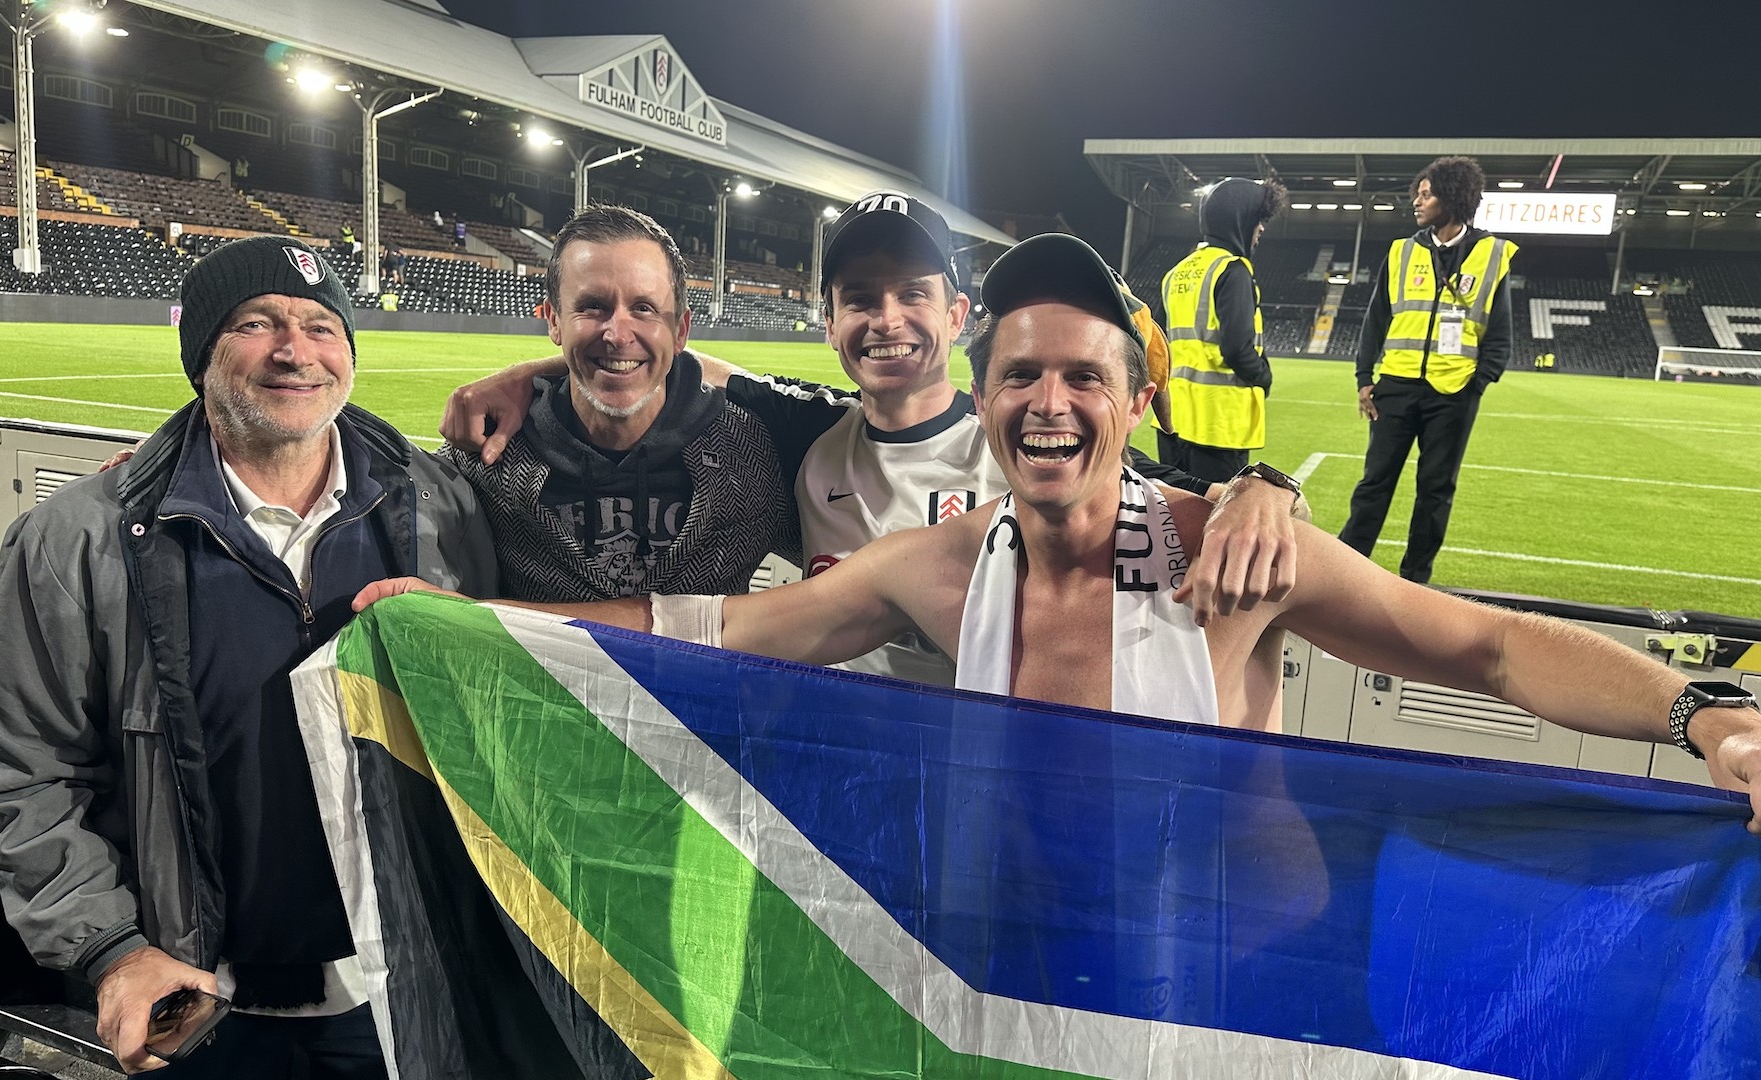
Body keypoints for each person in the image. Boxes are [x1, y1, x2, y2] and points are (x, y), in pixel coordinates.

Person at [359, 231, 1761, 825]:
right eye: (1019, 376)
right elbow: (704, 629)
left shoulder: (1236, 547)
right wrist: (468, 621)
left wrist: (1704, 713)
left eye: (1081, 377)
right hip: (1011, 957)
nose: (1047, 403)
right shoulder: (950, 561)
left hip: (1225, 969)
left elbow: (1495, 652)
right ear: (983, 396)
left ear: (1132, 399)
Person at [0, 236, 499, 1077]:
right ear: (201, 353)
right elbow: (16, 764)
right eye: (258, 323)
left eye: (323, 327)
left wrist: (529, 378)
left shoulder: (442, 509)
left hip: (405, 993)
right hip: (201, 1005)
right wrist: (112, 948)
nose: (296, 352)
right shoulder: (83, 539)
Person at [441, 193, 1303, 685]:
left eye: (912, 295)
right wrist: (531, 374)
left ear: (960, 315)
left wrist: (1263, 486)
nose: (886, 321)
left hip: (984, 778)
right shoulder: (806, 432)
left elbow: (1170, 496)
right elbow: (657, 349)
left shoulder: (1031, 451)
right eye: (860, 297)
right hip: (839, 778)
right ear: (830, 323)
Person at [442, 204, 799, 601]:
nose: (617, 334)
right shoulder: (485, 459)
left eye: (644, 308)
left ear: (680, 331)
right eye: (593, 306)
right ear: (554, 322)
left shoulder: (755, 456)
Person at [1338, 156, 1516, 584]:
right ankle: (1342, 568)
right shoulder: (1402, 251)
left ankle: (1415, 578)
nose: (1416, 201)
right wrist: (1365, 379)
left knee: (1436, 491)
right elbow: (1375, 320)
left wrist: (1477, 384)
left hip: (1453, 395)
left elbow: (1501, 333)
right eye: (1417, 192)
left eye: (1426, 193)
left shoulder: (1493, 254)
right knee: (1374, 483)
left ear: (1453, 196)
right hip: (1395, 387)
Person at [1158, 177, 1285, 483]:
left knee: (1177, 519)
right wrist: (1264, 377)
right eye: (1259, 220)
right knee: (1216, 520)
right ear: (1240, 220)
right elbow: (1236, 348)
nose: (1261, 229)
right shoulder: (1233, 269)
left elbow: (1160, 344)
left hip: (1174, 421)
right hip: (1219, 424)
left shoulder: (1176, 273)